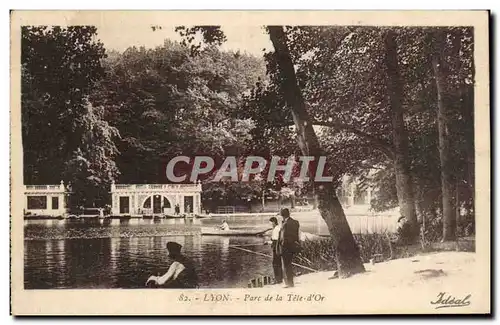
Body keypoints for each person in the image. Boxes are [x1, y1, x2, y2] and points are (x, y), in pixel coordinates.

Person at [277, 208, 300, 288]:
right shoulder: (295, 222)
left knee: (287, 265)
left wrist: (283, 243)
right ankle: (290, 283)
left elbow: (285, 236)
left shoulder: (286, 223)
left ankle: (290, 283)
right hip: (292, 246)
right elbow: (296, 235)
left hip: (286, 246)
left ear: (283, 216)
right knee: (288, 264)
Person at [269, 217, 283, 284]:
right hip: (277, 247)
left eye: (271, 223)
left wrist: (271, 243)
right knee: (278, 262)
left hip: (276, 247)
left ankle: (277, 279)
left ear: (274, 222)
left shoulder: (276, 229)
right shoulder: (277, 228)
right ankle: (279, 278)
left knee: (275, 263)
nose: (271, 224)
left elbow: (276, 240)